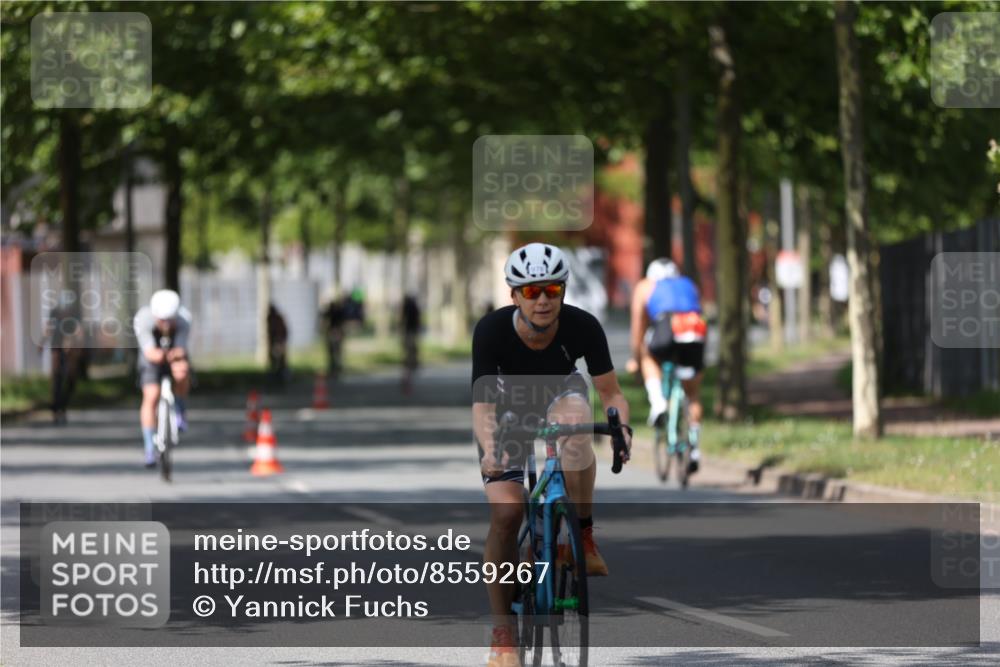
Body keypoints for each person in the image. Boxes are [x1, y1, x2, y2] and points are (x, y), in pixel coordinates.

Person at [472, 242, 632, 667]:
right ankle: (503, 633)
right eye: (531, 292)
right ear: (514, 296)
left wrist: (621, 427)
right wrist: (490, 450)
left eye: (552, 290)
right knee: (506, 516)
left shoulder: (582, 326)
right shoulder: (490, 331)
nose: (543, 300)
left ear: (563, 291)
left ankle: (581, 533)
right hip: (506, 410)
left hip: (561, 394)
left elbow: (611, 392)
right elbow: (483, 405)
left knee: (577, 429)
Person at [628, 258, 706, 471]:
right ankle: (695, 447)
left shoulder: (645, 285)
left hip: (666, 326)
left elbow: (638, 328)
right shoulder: (688, 283)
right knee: (693, 393)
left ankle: (658, 402)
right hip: (694, 327)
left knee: (648, 356)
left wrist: (636, 359)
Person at [133, 289, 192, 468]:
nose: (165, 324)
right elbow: (151, 353)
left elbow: (181, 348)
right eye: (161, 320)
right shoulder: (143, 319)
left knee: (181, 372)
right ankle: (150, 447)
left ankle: (180, 407)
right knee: (151, 395)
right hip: (152, 357)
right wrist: (163, 355)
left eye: (169, 320)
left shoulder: (184, 320)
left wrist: (176, 356)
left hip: (174, 352)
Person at [44, 295, 85, 424]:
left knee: (70, 380)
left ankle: (62, 406)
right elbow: (48, 329)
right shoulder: (54, 314)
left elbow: (79, 332)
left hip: (70, 351)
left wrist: (73, 343)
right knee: (57, 379)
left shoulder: (74, 316)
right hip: (57, 349)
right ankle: (56, 409)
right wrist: (41, 342)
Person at [321, 295, 347, 378]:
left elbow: (325, 321)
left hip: (334, 332)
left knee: (334, 352)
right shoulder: (337, 312)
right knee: (335, 352)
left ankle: (335, 368)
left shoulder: (336, 312)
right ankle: (335, 367)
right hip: (335, 332)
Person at [400, 294, 421, 394]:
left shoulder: (406, 308)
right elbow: (417, 321)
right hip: (411, 333)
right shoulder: (414, 307)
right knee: (410, 353)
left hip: (408, 333)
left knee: (408, 353)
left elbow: (402, 321)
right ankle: (410, 367)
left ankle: (409, 368)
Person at [266, 304, 289, 383]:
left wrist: (280, 342)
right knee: (274, 360)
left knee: (281, 361)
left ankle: (282, 378)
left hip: (279, 341)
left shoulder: (277, 318)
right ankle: (275, 377)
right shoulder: (269, 318)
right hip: (275, 342)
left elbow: (282, 331)